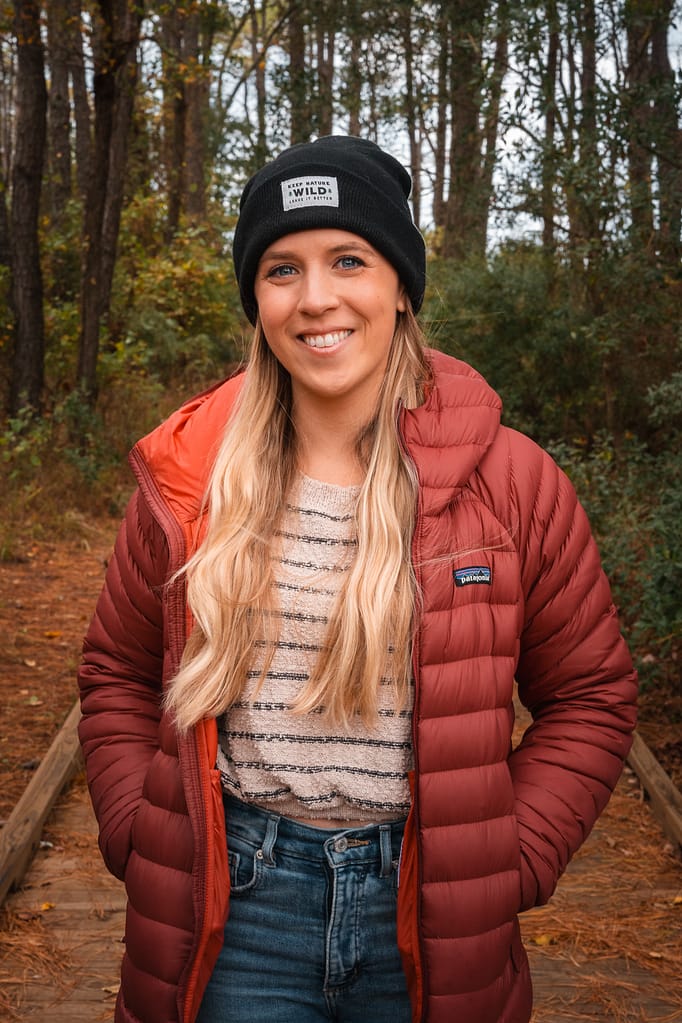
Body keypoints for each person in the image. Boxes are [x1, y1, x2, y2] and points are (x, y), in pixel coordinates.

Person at [77, 135, 638, 1023]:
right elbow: (111, 673)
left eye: (349, 259)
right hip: (237, 914)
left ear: (402, 286)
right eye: (281, 269)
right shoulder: (189, 478)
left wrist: (509, 857)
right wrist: (134, 830)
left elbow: (592, 697)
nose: (317, 298)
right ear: (256, 300)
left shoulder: (514, 483)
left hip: (427, 917)